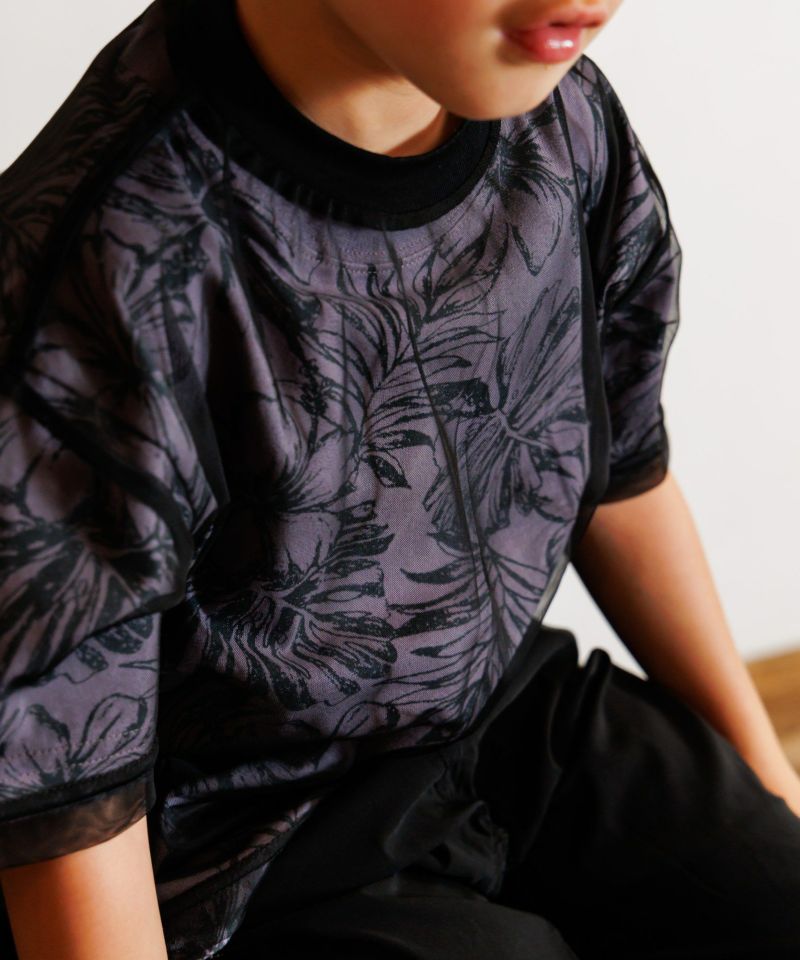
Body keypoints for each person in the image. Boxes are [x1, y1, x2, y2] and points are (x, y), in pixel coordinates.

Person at [1, 0, 799, 957]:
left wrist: (769, 784)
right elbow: (62, 777)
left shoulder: (564, 121)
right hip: (242, 844)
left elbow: (623, 463)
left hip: (506, 717)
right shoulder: (113, 266)